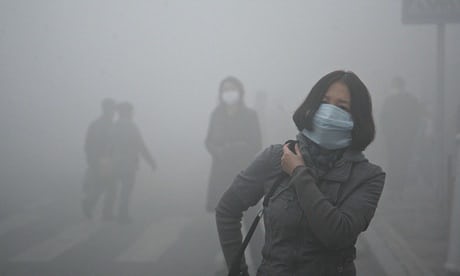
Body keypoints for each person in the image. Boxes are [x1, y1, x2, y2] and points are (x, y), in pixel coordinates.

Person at [216, 70, 386, 275]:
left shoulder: (368, 177)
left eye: (342, 107)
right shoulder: (276, 157)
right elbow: (227, 210)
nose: (330, 111)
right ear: (312, 106)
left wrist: (298, 172)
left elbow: (337, 235)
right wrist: (238, 272)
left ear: (356, 118)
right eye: (324, 102)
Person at [205, 76, 263, 271]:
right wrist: (219, 151)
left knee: (251, 221)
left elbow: (256, 143)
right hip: (221, 173)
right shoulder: (217, 114)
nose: (229, 93)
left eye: (232, 89)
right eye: (225, 90)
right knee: (227, 220)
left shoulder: (250, 115)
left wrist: (237, 148)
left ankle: (260, 261)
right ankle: (235, 265)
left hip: (246, 174)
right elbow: (208, 141)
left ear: (240, 91)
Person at [106, 102, 156, 223]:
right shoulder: (132, 127)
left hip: (114, 162)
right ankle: (122, 215)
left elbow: (109, 146)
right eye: (131, 111)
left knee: (112, 189)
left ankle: (107, 213)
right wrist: (151, 161)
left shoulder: (114, 126)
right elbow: (140, 145)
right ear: (127, 112)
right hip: (128, 163)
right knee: (126, 190)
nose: (133, 114)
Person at [380, 77, 422, 193]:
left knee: (393, 161)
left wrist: (387, 133)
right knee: (403, 161)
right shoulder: (411, 100)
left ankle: (393, 187)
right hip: (405, 137)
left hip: (393, 137)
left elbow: (383, 119)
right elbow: (416, 118)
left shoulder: (389, 101)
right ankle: (399, 187)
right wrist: (412, 133)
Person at [82, 98, 117, 219]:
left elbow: (87, 143)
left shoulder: (97, 124)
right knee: (110, 187)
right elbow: (92, 143)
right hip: (104, 160)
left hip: (102, 160)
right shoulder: (106, 125)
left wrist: (90, 159)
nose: (113, 112)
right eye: (112, 108)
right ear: (106, 109)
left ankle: (89, 204)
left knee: (101, 186)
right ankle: (104, 212)